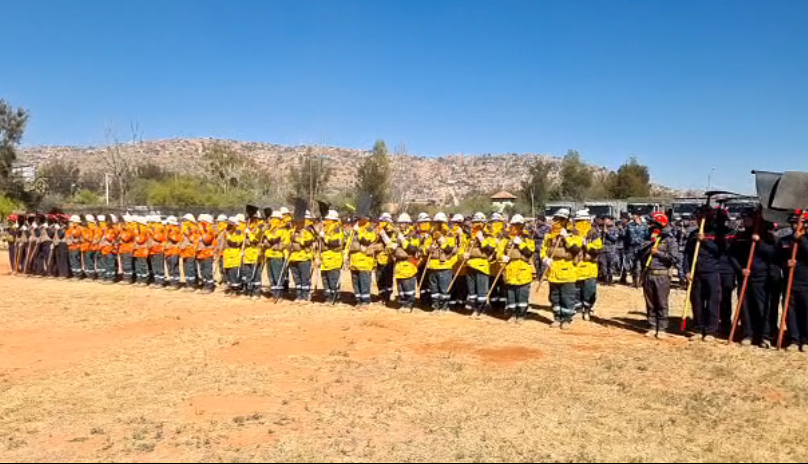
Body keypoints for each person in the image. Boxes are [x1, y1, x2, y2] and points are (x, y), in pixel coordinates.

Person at [729, 209, 780, 348]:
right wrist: (741, 270)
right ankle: (748, 334)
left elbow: (773, 255)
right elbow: (732, 256)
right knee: (745, 307)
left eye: (747, 219)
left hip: (762, 279)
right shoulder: (740, 236)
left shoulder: (769, 238)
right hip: (745, 277)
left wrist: (759, 243)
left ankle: (765, 336)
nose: (745, 222)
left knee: (762, 307)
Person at [684, 207, 733, 342]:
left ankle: (711, 330)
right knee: (697, 301)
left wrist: (704, 240)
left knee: (713, 301)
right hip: (696, 271)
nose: (700, 221)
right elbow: (687, 253)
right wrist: (686, 271)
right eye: (699, 218)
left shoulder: (716, 235)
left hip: (712, 271)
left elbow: (720, 251)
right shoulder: (693, 234)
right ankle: (699, 328)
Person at [640, 212, 679, 338]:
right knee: (650, 302)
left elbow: (674, 258)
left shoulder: (670, 239)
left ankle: (662, 328)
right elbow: (640, 254)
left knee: (661, 302)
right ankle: (651, 325)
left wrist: (658, 253)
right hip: (648, 273)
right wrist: (648, 246)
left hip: (661, 275)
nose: (650, 225)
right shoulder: (649, 237)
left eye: (652, 223)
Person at [542, 209, 582, 329]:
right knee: (554, 297)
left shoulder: (574, 235)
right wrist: (545, 259)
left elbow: (576, 250)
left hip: (568, 271)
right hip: (553, 270)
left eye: (562, 220)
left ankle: (566, 319)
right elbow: (543, 250)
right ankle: (557, 317)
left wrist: (566, 238)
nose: (558, 222)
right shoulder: (550, 236)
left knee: (567, 297)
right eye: (557, 219)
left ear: (567, 221)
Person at [778, 211, 808, 352]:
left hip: (806, 282)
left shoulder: (805, 239)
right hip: (789, 280)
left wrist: (801, 240)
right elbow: (777, 259)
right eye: (793, 223)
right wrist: (786, 264)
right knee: (791, 311)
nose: (795, 226)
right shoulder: (785, 240)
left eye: (798, 223)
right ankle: (793, 339)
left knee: (806, 311)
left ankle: (805, 340)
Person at [502, 214, 536, 324]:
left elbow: (529, 252)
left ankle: (521, 315)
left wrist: (521, 244)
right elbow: (499, 252)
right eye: (514, 225)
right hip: (510, 269)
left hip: (523, 270)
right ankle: (512, 313)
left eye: (518, 225)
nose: (516, 227)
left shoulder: (527, 239)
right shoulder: (506, 239)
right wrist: (502, 257)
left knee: (522, 294)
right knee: (510, 295)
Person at [464, 212, 497, 318]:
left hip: (482, 266)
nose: (476, 224)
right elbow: (462, 250)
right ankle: (474, 309)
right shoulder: (469, 238)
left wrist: (482, 239)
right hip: (470, 265)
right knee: (472, 291)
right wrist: (462, 255)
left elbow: (491, 250)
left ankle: (482, 310)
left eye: (479, 222)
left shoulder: (489, 237)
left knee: (482, 291)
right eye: (474, 222)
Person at [424, 212, 458, 313]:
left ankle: (444, 307)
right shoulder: (431, 236)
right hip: (432, 266)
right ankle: (435, 306)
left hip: (444, 266)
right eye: (436, 222)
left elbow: (450, 250)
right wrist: (428, 249)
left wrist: (441, 241)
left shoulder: (450, 235)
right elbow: (424, 248)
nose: (438, 225)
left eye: (441, 222)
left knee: (444, 289)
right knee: (433, 289)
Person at [575, 210, 602, 321]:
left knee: (589, 290)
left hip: (590, 266)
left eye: (582, 221)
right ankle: (578, 309)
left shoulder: (593, 233)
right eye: (578, 221)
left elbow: (598, 248)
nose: (580, 223)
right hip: (576, 266)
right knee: (576, 290)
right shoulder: (572, 232)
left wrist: (587, 245)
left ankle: (587, 309)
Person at [391, 213, 420, 312]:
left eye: (403, 223)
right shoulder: (396, 234)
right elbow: (390, 245)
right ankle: (403, 304)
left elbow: (413, 249)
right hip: (399, 265)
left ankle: (409, 305)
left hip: (409, 264)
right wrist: (391, 246)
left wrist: (403, 240)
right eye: (400, 223)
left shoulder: (413, 234)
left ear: (408, 223)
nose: (401, 225)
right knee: (400, 287)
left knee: (408, 287)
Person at [349, 215, 378, 307]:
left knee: (364, 281)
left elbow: (367, 241)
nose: (356, 222)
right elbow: (349, 244)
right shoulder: (354, 231)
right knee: (356, 282)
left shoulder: (369, 230)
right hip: (354, 261)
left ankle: (366, 301)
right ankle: (358, 300)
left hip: (364, 262)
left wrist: (358, 231)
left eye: (358, 220)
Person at [289, 211, 317, 303]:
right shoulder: (294, 229)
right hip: (293, 257)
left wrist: (296, 239)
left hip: (304, 257)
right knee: (296, 278)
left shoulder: (309, 230)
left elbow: (307, 242)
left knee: (304, 278)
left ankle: (305, 296)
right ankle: (299, 295)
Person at [319, 210, 344, 305]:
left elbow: (336, 242)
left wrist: (324, 237)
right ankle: (328, 297)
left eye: (327, 219)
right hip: (325, 259)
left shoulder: (336, 229)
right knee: (325, 280)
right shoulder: (325, 229)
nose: (325, 221)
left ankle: (335, 298)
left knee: (333, 280)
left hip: (334, 259)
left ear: (332, 220)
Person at [264, 210, 290, 300]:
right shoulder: (269, 230)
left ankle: (279, 294)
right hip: (269, 255)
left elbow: (279, 240)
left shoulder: (283, 230)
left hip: (278, 255)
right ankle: (274, 293)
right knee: (270, 275)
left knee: (278, 275)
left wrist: (269, 238)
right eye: (272, 218)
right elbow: (265, 241)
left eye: (275, 219)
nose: (273, 220)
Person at [375, 213, 396, 305]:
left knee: (388, 279)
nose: (381, 223)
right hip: (378, 258)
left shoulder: (392, 231)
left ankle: (387, 297)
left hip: (388, 259)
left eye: (383, 221)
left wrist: (383, 234)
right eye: (381, 221)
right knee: (379, 279)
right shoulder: (378, 230)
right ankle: (381, 296)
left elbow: (391, 244)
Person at [624, 213, 648, 287]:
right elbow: (627, 237)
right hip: (632, 248)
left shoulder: (645, 225)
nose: (632, 216)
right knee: (633, 265)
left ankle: (642, 281)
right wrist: (626, 248)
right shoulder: (630, 225)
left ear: (638, 216)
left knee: (642, 265)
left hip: (642, 248)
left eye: (634, 215)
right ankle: (634, 281)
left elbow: (647, 236)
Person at [197, 214, 217, 294]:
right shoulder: (201, 229)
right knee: (202, 270)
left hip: (208, 253)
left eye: (202, 222)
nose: (200, 223)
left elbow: (207, 240)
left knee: (207, 270)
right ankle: (205, 284)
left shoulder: (210, 229)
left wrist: (202, 230)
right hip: (201, 253)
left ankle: (209, 286)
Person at [164, 216, 183, 290]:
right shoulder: (168, 229)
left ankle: (175, 283)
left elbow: (176, 239)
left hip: (174, 251)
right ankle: (172, 282)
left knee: (174, 267)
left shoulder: (175, 229)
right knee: (169, 267)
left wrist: (169, 232)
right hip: (168, 251)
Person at [600, 216, 620, 285]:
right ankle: (605, 279)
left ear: (611, 221)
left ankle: (610, 280)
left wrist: (607, 233)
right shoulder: (602, 229)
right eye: (604, 220)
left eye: (606, 220)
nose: (605, 222)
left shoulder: (615, 229)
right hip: (603, 249)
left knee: (611, 264)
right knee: (603, 264)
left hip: (611, 249)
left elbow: (615, 239)